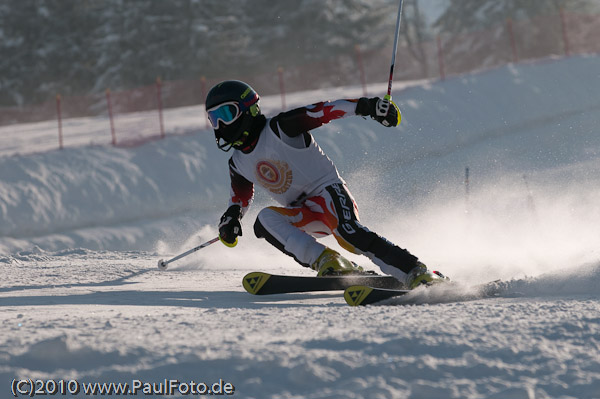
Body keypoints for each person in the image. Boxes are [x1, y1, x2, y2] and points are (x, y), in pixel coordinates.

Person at [206, 80, 446, 288]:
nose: (220, 126)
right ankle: (330, 262)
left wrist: (367, 107)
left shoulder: (280, 128)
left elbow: (324, 110)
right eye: (213, 120)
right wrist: (232, 217)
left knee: (347, 234)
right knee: (265, 221)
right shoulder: (237, 162)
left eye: (226, 115)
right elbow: (240, 197)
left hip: (328, 193)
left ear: (249, 108)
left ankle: (416, 271)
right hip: (305, 214)